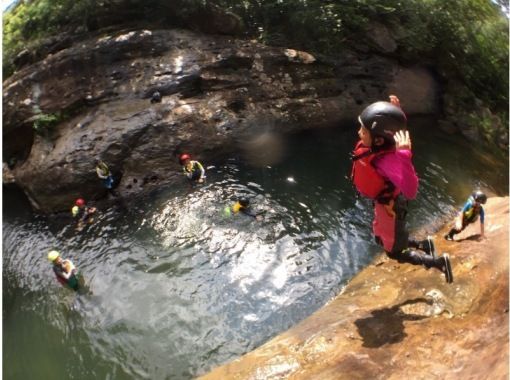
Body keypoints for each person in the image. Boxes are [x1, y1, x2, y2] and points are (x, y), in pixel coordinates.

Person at [351, 96, 453, 283]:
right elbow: (396, 131)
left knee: (394, 253)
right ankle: (424, 244)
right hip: (384, 204)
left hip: (392, 207)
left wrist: (405, 158)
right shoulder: (378, 149)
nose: (359, 133)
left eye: (364, 131)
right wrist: (397, 113)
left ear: (380, 140)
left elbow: (411, 191)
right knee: (381, 238)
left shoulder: (387, 160)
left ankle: (439, 263)